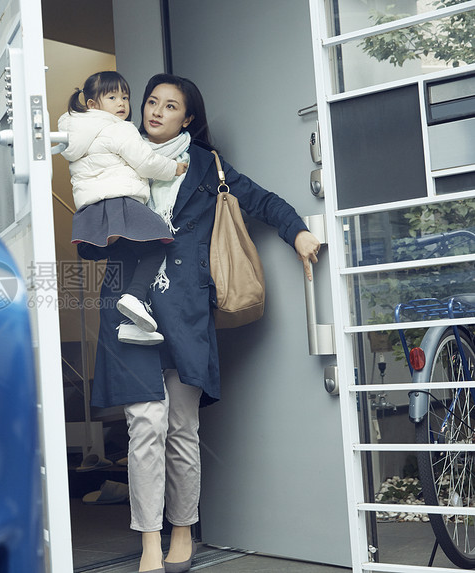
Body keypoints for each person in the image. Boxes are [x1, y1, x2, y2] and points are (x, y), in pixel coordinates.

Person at [86, 73, 322, 573]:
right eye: (151, 101)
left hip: (186, 308)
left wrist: (298, 232)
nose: (155, 111)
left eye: (170, 106)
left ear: (187, 118)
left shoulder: (206, 165)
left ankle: (181, 531)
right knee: (144, 425)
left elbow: (261, 201)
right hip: (127, 303)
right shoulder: (117, 149)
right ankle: (149, 539)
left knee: (180, 426)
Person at [58, 71, 187, 345]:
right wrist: (173, 168)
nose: (122, 104)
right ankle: (134, 297)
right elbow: (146, 162)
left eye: (125, 97)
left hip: (92, 210)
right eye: (113, 97)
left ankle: (130, 322)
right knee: (158, 243)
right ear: (93, 104)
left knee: (131, 253)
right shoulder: (119, 128)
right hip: (119, 202)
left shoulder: (75, 134)